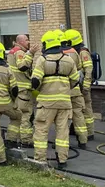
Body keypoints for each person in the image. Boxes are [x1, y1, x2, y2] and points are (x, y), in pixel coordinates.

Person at [30, 30, 80, 169]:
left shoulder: (42, 60)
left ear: (46, 44)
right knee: (62, 131)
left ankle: (40, 160)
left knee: (41, 130)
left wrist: (40, 89)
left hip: (46, 103)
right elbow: (76, 80)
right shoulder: (68, 60)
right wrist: (64, 88)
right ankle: (62, 160)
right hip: (64, 102)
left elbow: (35, 81)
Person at [66, 29, 95, 140]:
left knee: (86, 108)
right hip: (79, 85)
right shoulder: (76, 51)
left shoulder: (83, 52)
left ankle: (89, 132)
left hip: (83, 86)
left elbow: (88, 69)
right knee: (79, 109)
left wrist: (86, 86)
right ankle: (77, 129)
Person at [5, 34, 34, 147]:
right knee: (26, 115)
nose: (29, 42)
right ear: (20, 41)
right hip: (23, 91)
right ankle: (26, 140)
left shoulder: (12, 52)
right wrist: (31, 54)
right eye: (27, 40)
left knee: (16, 116)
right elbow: (22, 66)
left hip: (15, 90)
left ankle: (11, 139)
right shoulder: (20, 52)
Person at [61, 31, 88, 149]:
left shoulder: (56, 54)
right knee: (79, 115)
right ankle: (83, 141)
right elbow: (79, 69)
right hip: (76, 90)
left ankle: (63, 143)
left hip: (63, 91)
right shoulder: (73, 52)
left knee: (62, 118)